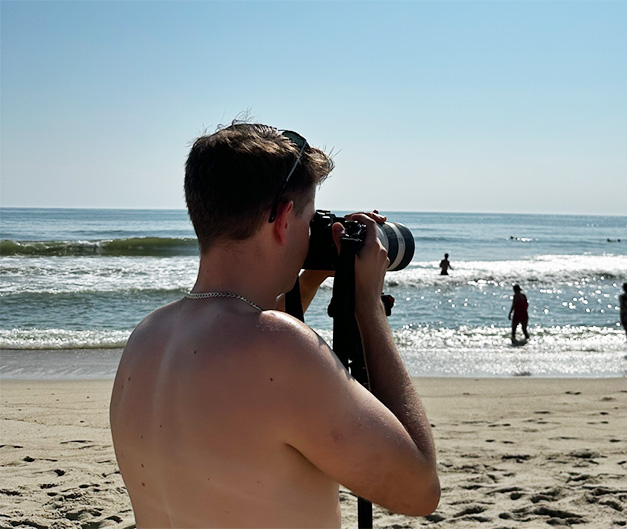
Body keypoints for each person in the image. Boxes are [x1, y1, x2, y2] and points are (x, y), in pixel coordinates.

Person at [109, 123, 440, 528]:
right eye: (307, 221)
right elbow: (420, 489)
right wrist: (367, 305)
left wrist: (311, 279)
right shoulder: (281, 350)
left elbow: (248, 345)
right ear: (283, 218)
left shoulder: (147, 336)